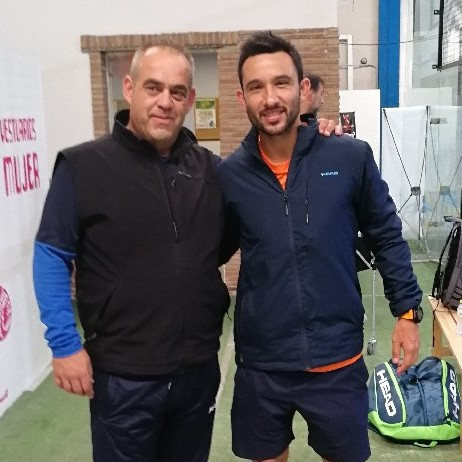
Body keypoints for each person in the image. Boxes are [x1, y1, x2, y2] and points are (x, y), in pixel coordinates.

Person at [217, 32, 423, 462]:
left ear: (303, 88)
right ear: (241, 97)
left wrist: (406, 312)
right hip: (262, 362)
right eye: (256, 87)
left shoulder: (348, 157)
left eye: (281, 83)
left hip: (336, 359)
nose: (270, 98)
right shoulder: (230, 176)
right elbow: (206, 253)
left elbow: (386, 234)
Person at [33, 44, 230, 462]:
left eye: (177, 92)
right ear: (129, 89)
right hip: (123, 378)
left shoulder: (209, 170)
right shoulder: (82, 166)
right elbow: (51, 255)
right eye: (153, 88)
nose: (165, 102)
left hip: (197, 371)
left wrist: (316, 133)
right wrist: (64, 345)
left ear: (190, 100)